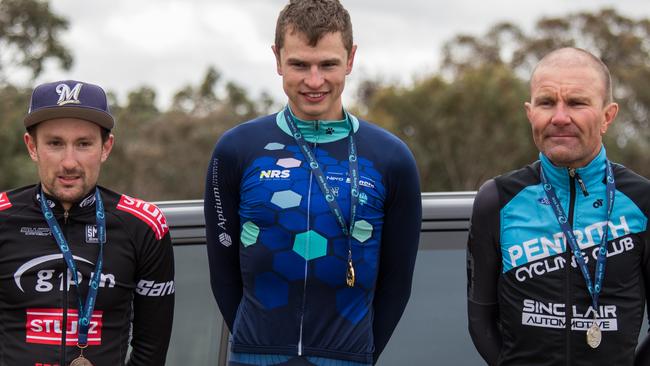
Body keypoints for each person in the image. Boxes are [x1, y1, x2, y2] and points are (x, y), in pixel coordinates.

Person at [204, 1, 421, 365]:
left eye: (328, 64)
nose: (315, 81)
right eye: (300, 64)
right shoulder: (237, 150)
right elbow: (222, 274)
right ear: (277, 59)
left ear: (350, 59)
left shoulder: (391, 159)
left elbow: (397, 283)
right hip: (255, 356)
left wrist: (355, 354)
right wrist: (259, 349)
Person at [466, 47, 650, 365]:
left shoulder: (642, 201)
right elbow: (480, 323)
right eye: (547, 102)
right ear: (530, 112)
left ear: (608, 116)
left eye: (577, 103)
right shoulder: (496, 201)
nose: (560, 117)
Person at [0, 80, 175, 366]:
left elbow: (150, 351)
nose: (69, 162)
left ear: (106, 147)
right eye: (55, 143)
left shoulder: (145, 226)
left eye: (84, 144)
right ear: (32, 146)